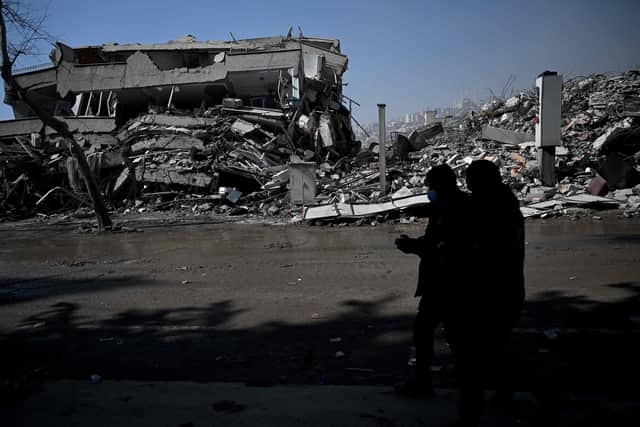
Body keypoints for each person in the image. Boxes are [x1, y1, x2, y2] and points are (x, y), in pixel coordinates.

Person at [445, 160, 525, 426]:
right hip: (508, 289)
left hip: (483, 294)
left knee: (471, 360)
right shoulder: (507, 203)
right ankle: (504, 396)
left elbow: (470, 250)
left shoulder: (485, 208)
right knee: (498, 348)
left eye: (471, 179)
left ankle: (470, 416)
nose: (467, 184)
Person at [394, 164, 470, 398]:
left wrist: (412, 247)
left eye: (432, 187)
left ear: (443, 186)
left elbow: (443, 248)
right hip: (443, 283)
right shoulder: (449, 205)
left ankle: (464, 389)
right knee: (433, 333)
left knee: (445, 336)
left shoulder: (453, 210)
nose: (430, 191)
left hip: (447, 283)